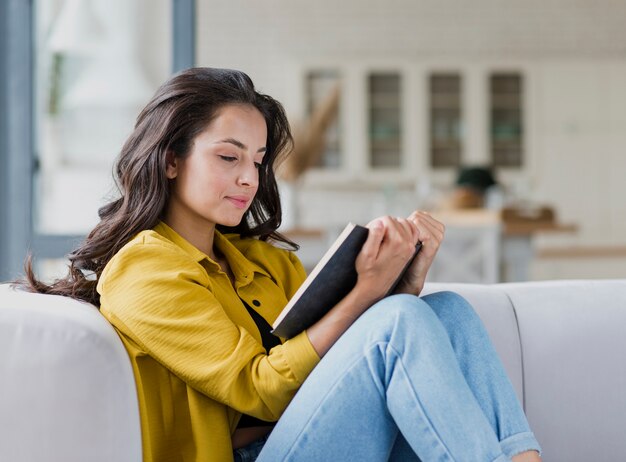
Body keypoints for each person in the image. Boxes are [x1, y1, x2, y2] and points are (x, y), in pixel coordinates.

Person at [20, 67, 542, 462]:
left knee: (445, 309)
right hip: (255, 452)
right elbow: (261, 391)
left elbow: (360, 360)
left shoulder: (257, 260)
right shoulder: (143, 270)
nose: (249, 177)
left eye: (258, 159)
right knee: (398, 319)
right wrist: (367, 294)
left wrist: (403, 281)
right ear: (171, 159)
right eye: (229, 157)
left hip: (320, 434)